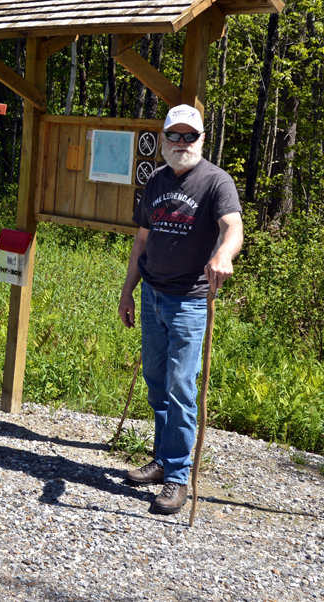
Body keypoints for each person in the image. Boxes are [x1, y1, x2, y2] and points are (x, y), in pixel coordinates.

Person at [118, 104, 243, 514]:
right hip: (152, 294)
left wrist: (224, 255)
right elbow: (141, 241)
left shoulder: (216, 182)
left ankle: (177, 477)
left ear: (202, 139)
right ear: (165, 139)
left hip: (190, 301)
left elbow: (233, 227)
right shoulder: (155, 181)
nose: (181, 143)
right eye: (175, 136)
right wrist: (128, 291)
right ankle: (162, 458)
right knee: (156, 380)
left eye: (190, 136)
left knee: (181, 387)